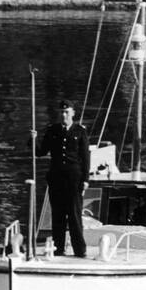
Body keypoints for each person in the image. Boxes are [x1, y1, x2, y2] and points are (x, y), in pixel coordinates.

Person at [37, 99, 91, 258]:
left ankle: (80, 250)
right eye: (61, 112)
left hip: (74, 180)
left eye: (67, 112)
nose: (64, 115)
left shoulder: (80, 131)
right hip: (56, 179)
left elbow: (85, 157)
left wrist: (86, 179)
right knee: (58, 215)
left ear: (73, 113)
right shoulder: (52, 130)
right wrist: (33, 141)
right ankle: (58, 249)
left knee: (74, 215)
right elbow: (41, 152)